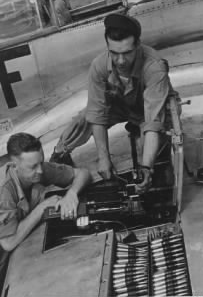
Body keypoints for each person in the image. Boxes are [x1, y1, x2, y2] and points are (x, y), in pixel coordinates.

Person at [50, 12, 177, 193]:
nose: (120, 61)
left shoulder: (154, 66)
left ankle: (159, 161)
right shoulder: (99, 66)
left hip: (149, 109)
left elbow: (153, 121)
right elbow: (97, 114)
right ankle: (60, 152)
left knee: (154, 147)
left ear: (138, 46)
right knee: (85, 117)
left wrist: (147, 167)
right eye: (114, 53)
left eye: (127, 53)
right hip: (120, 105)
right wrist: (104, 158)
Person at [0, 132, 91, 297]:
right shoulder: (1, 193)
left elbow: (83, 173)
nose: (41, 171)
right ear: (14, 165)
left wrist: (72, 193)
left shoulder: (36, 168)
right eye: (33, 167)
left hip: (9, 242)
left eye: (41, 162)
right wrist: (41, 209)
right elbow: (8, 242)